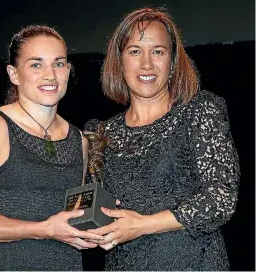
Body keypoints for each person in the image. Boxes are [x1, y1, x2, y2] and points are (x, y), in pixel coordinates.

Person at [86, 7, 240, 271]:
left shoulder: (199, 112)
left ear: (172, 61)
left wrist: (143, 225)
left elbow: (221, 198)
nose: (146, 64)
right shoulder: (102, 134)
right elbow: (93, 213)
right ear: (119, 61)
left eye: (158, 51)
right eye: (135, 51)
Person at [0, 25, 104, 271]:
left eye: (59, 64)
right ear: (14, 74)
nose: (50, 75)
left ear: (68, 70)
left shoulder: (79, 140)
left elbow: (72, 223)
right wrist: (42, 230)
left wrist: (96, 229)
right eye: (36, 64)